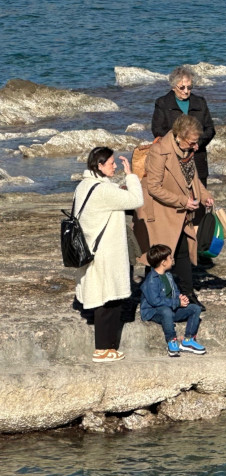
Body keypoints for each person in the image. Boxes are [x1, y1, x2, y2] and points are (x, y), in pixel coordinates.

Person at [74, 147, 144, 363]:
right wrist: (130, 175)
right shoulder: (104, 190)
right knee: (109, 300)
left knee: (100, 295)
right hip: (107, 252)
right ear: (100, 165)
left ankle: (105, 347)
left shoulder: (84, 185)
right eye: (112, 163)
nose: (115, 166)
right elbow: (136, 199)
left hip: (92, 249)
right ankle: (103, 350)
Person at [137, 115, 214, 304]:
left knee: (182, 253)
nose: (196, 147)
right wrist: (182, 201)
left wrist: (205, 196)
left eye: (197, 142)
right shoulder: (159, 151)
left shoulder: (186, 151)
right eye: (193, 142)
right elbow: (154, 187)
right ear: (179, 136)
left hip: (180, 212)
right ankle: (151, 298)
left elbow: (193, 179)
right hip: (161, 211)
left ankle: (188, 294)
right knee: (157, 257)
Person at [151, 66, 216, 184]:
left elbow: (210, 129)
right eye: (182, 87)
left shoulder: (200, 102)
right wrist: (179, 142)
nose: (186, 91)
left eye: (189, 87)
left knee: (201, 193)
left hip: (198, 157)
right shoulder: (162, 103)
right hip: (173, 159)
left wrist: (197, 143)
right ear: (173, 87)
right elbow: (157, 129)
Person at [140, 243, 206, 357]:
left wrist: (180, 298)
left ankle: (188, 340)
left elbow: (174, 291)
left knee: (195, 308)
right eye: (170, 258)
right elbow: (155, 302)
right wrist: (177, 303)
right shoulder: (151, 280)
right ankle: (171, 340)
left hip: (171, 309)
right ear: (163, 262)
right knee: (166, 311)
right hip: (154, 312)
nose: (173, 259)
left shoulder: (168, 275)